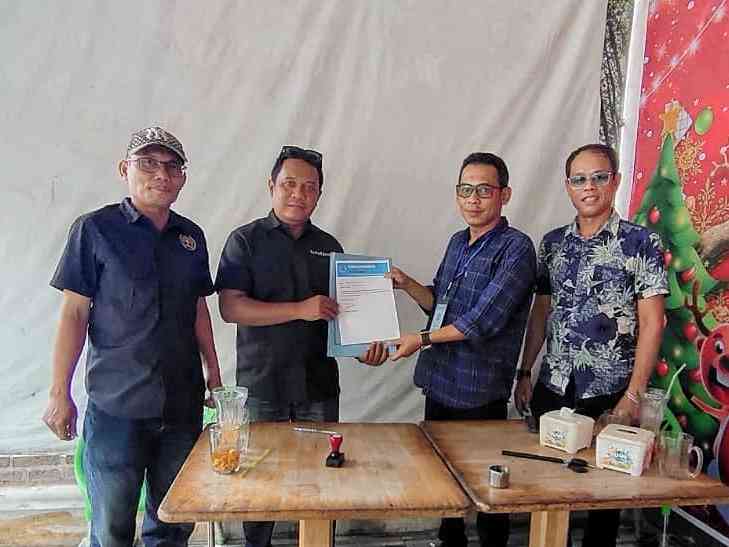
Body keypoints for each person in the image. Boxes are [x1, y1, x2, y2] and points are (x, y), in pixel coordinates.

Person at [43, 126, 222, 547]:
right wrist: (58, 392)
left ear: (182, 177)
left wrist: (214, 374)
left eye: (172, 166)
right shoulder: (95, 230)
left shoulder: (191, 237)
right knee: (111, 528)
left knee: (173, 522)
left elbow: (198, 308)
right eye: (148, 163)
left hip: (181, 407)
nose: (161, 174)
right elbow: (73, 313)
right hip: (116, 407)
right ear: (125, 169)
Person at [216, 145, 385, 547]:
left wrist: (363, 348)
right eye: (289, 184)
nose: (298, 194)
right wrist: (299, 309)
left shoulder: (330, 247)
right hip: (263, 385)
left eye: (309, 187)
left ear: (319, 195)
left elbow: (342, 316)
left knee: (323, 479)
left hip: (318, 386)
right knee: (259, 482)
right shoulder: (245, 241)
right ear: (271, 186)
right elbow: (230, 307)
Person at [514, 143, 668, 547]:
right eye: (579, 179)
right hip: (554, 387)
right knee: (547, 489)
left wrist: (632, 397)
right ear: (568, 186)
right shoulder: (552, 244)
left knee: (604, 500)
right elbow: (541, 311)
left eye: (599, 177)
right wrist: (525, 371)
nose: (589, 187)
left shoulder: (641, 242)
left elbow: (653, 323)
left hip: (611, 393)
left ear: (615, 181)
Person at [389, 152, 536, 547]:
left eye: (484, 190)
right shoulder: (458, 242)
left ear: (504, 194)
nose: (473, 199)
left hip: (478, 391)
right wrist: (406, 284)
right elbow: (439, 304)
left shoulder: (517, 249)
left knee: (488, 489)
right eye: (465, 190)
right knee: (444, 482)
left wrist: (420, 339)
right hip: (439, 381)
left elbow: (481, 321)